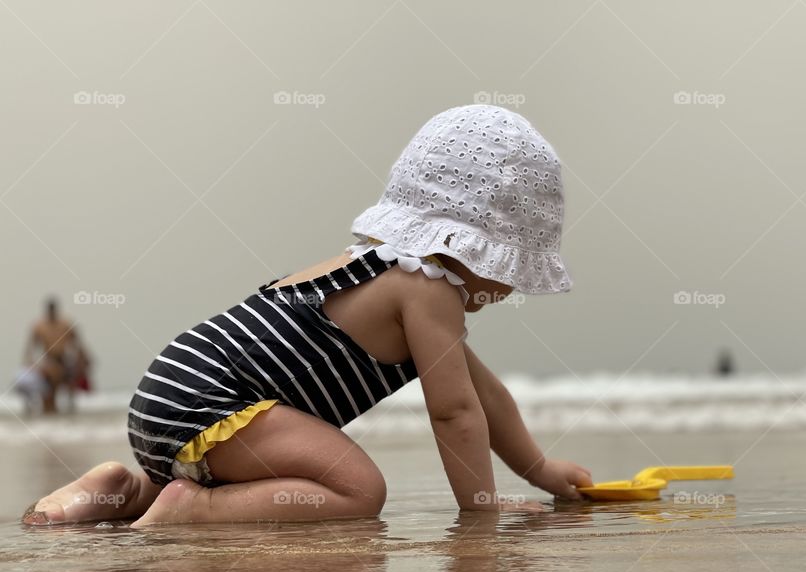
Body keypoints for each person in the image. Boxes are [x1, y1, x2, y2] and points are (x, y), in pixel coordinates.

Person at [22, 105, 593, 527]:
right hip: (212, 405)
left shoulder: (379, 273)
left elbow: (486, 397)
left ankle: (124, 491)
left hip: (170, 398)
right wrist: (481, 507)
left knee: (256, 474)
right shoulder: (428, 290)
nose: (510, 285)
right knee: (358, 490)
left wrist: (540, 471)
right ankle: (192, 509)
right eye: (513, 265)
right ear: (477, 244)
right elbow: (455, 412)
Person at [22, 297, 86, 414]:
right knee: (48, 397)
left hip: (64, 361)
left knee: (69, 392)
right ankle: (49, 416)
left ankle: (65, 414)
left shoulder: (65, 324)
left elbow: (78, 345)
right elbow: (29, 349)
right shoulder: (39, 326)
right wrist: (31, 364)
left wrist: (81, 362)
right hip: (49, 362)